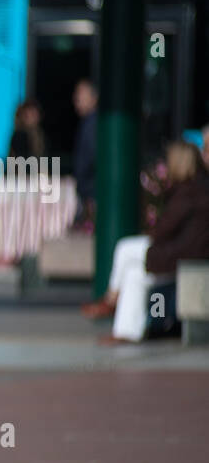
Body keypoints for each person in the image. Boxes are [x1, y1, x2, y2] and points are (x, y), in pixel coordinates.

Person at [84, 140, 209, 343]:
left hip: (184, 257)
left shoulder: (188, 194)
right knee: (134, 275)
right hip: (185, 254)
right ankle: (127, 331)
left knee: (126, 249)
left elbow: (163, 232)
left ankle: (112, 299)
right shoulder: (195, 190)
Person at [71, 79, 98, 230]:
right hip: (87, 190)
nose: (76, 99)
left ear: (94, 98)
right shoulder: (87, 123)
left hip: (91, 191)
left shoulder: (93, 124)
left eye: (80, 94)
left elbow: (92, 157)